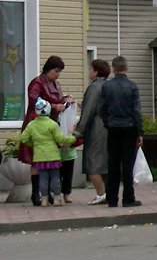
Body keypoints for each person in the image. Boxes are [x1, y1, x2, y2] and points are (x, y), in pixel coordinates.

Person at [21, 56, 75, 207]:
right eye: (56, 71)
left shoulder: (55, 84)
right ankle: (36, 193)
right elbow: (34, 102)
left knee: (49, 161)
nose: (58, 74)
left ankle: (47, 193)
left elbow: (57, 100)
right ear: (48, 69)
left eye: (59, 72)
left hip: (51, 124)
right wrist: (54, 106)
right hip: (36, 124)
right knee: (35, 159)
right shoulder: (37, 83)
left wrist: (66, 99)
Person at [97, 55, 143, 207]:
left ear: (113, 69)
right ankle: (128, 198)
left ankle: (112, 198)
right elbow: (136, 111)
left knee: (113, 163)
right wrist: (140, 132)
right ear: (126, 68)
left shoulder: (107, 86)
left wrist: (108, 122)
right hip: (129, 127)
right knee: (128, 164)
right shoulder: (132, 86)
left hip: (113, 127)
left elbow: (101, 108)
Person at [19, 99, 80, 207]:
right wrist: (73, 138)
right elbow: (60, 138)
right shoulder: (52, 124)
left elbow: (23, 138)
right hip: (53, 155)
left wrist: (33, 144)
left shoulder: (32, 125)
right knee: (55, 178)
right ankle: (57, 199)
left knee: (43, 178)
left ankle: (44, 200)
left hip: (39, 156)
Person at [75, 59, 111, 205]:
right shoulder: (109, 85)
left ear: (96, 72)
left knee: (92, 162)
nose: (89, 71)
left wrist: (78, 131)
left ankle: (101, 193)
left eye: (91, 69)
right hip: (110, 128)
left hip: (96, 128)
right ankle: (109, 192)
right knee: (107, 162)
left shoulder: (94, 87)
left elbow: (89, 110)